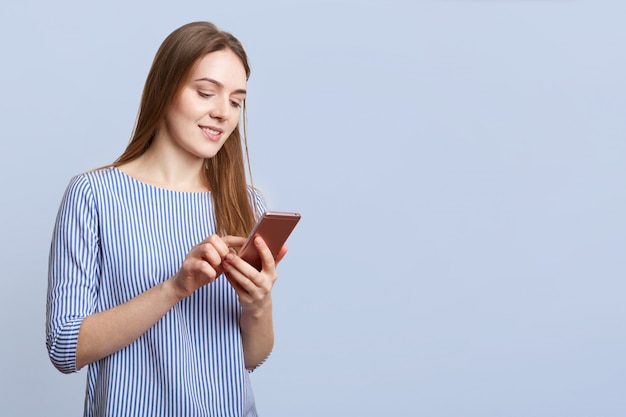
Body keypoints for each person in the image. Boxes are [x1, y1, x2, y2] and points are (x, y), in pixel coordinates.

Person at [46, 21, 287, 417]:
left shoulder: (246, 203)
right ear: (166, 88)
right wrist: (176, 287)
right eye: (206, 92)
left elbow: (249, 359)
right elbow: (64, 347)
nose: (222, 113)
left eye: (236, 101)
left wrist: (259, 305)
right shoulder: (94, 196)